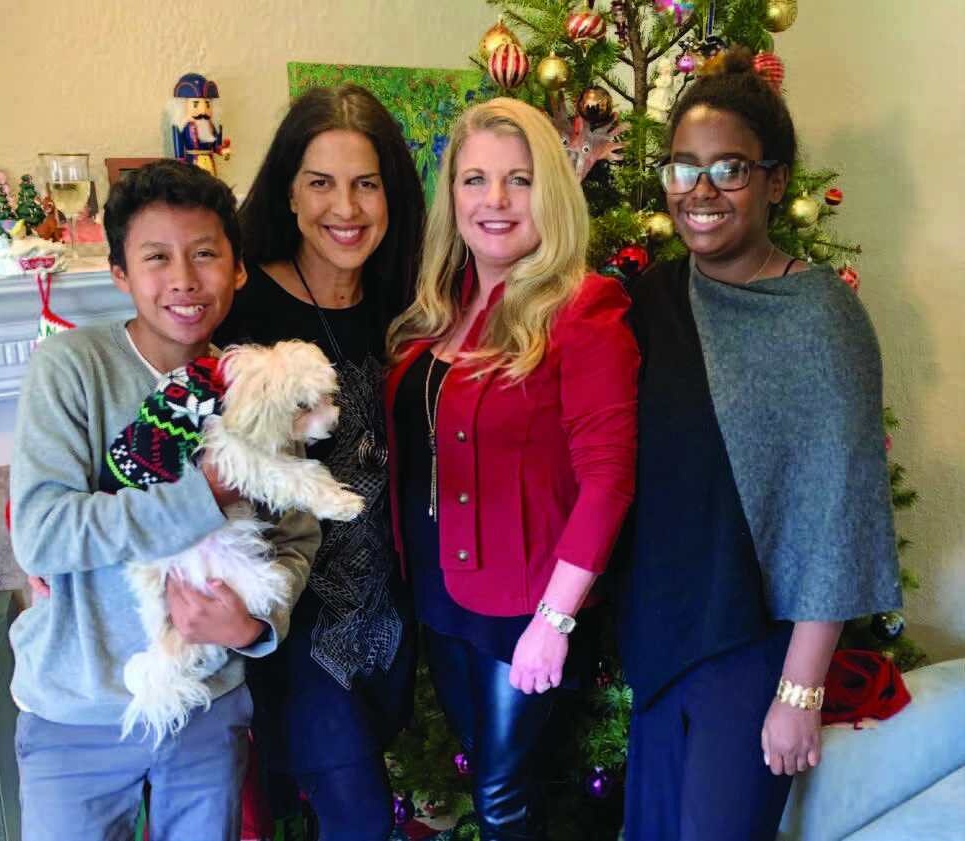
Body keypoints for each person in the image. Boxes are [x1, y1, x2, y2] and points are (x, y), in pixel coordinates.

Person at [614, 49, 902, 841]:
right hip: (662, 637)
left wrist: (798, 693)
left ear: (776, 181)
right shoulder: (652, 299)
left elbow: (837, 516)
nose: (700, 191)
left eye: (729, 167)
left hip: (751, 651)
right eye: (682, 168)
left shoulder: (819, 318)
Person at [8, 160, 319, 841]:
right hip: (75, 714)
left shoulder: (254, 381)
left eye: (205, 254)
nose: (183, 278)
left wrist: (255, 626)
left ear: (236, 269)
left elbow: (296, 537)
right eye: (156, 257)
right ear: (120, 273)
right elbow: (42, 532)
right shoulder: (71, 368)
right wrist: (202, 495)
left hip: (206, 709)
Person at [385, 97, 639, 840]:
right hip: (441, 593)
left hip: (526, 604)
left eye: (518, 180)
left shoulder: (584, 307)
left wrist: (554, 621)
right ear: (452, 197)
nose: (493, 201)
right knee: (494, 776)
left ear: (550, 193)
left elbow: (608, 477)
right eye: (474, 180)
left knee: (502, 797)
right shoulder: (442, 305)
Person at [214, 84, 425, 840]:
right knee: (359, 818)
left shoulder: (405, 302)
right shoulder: (236, 307)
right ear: (289, 194)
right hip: (290, 617)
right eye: (321, 182)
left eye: (366, 182)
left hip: (390, 611)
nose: (347, 207)